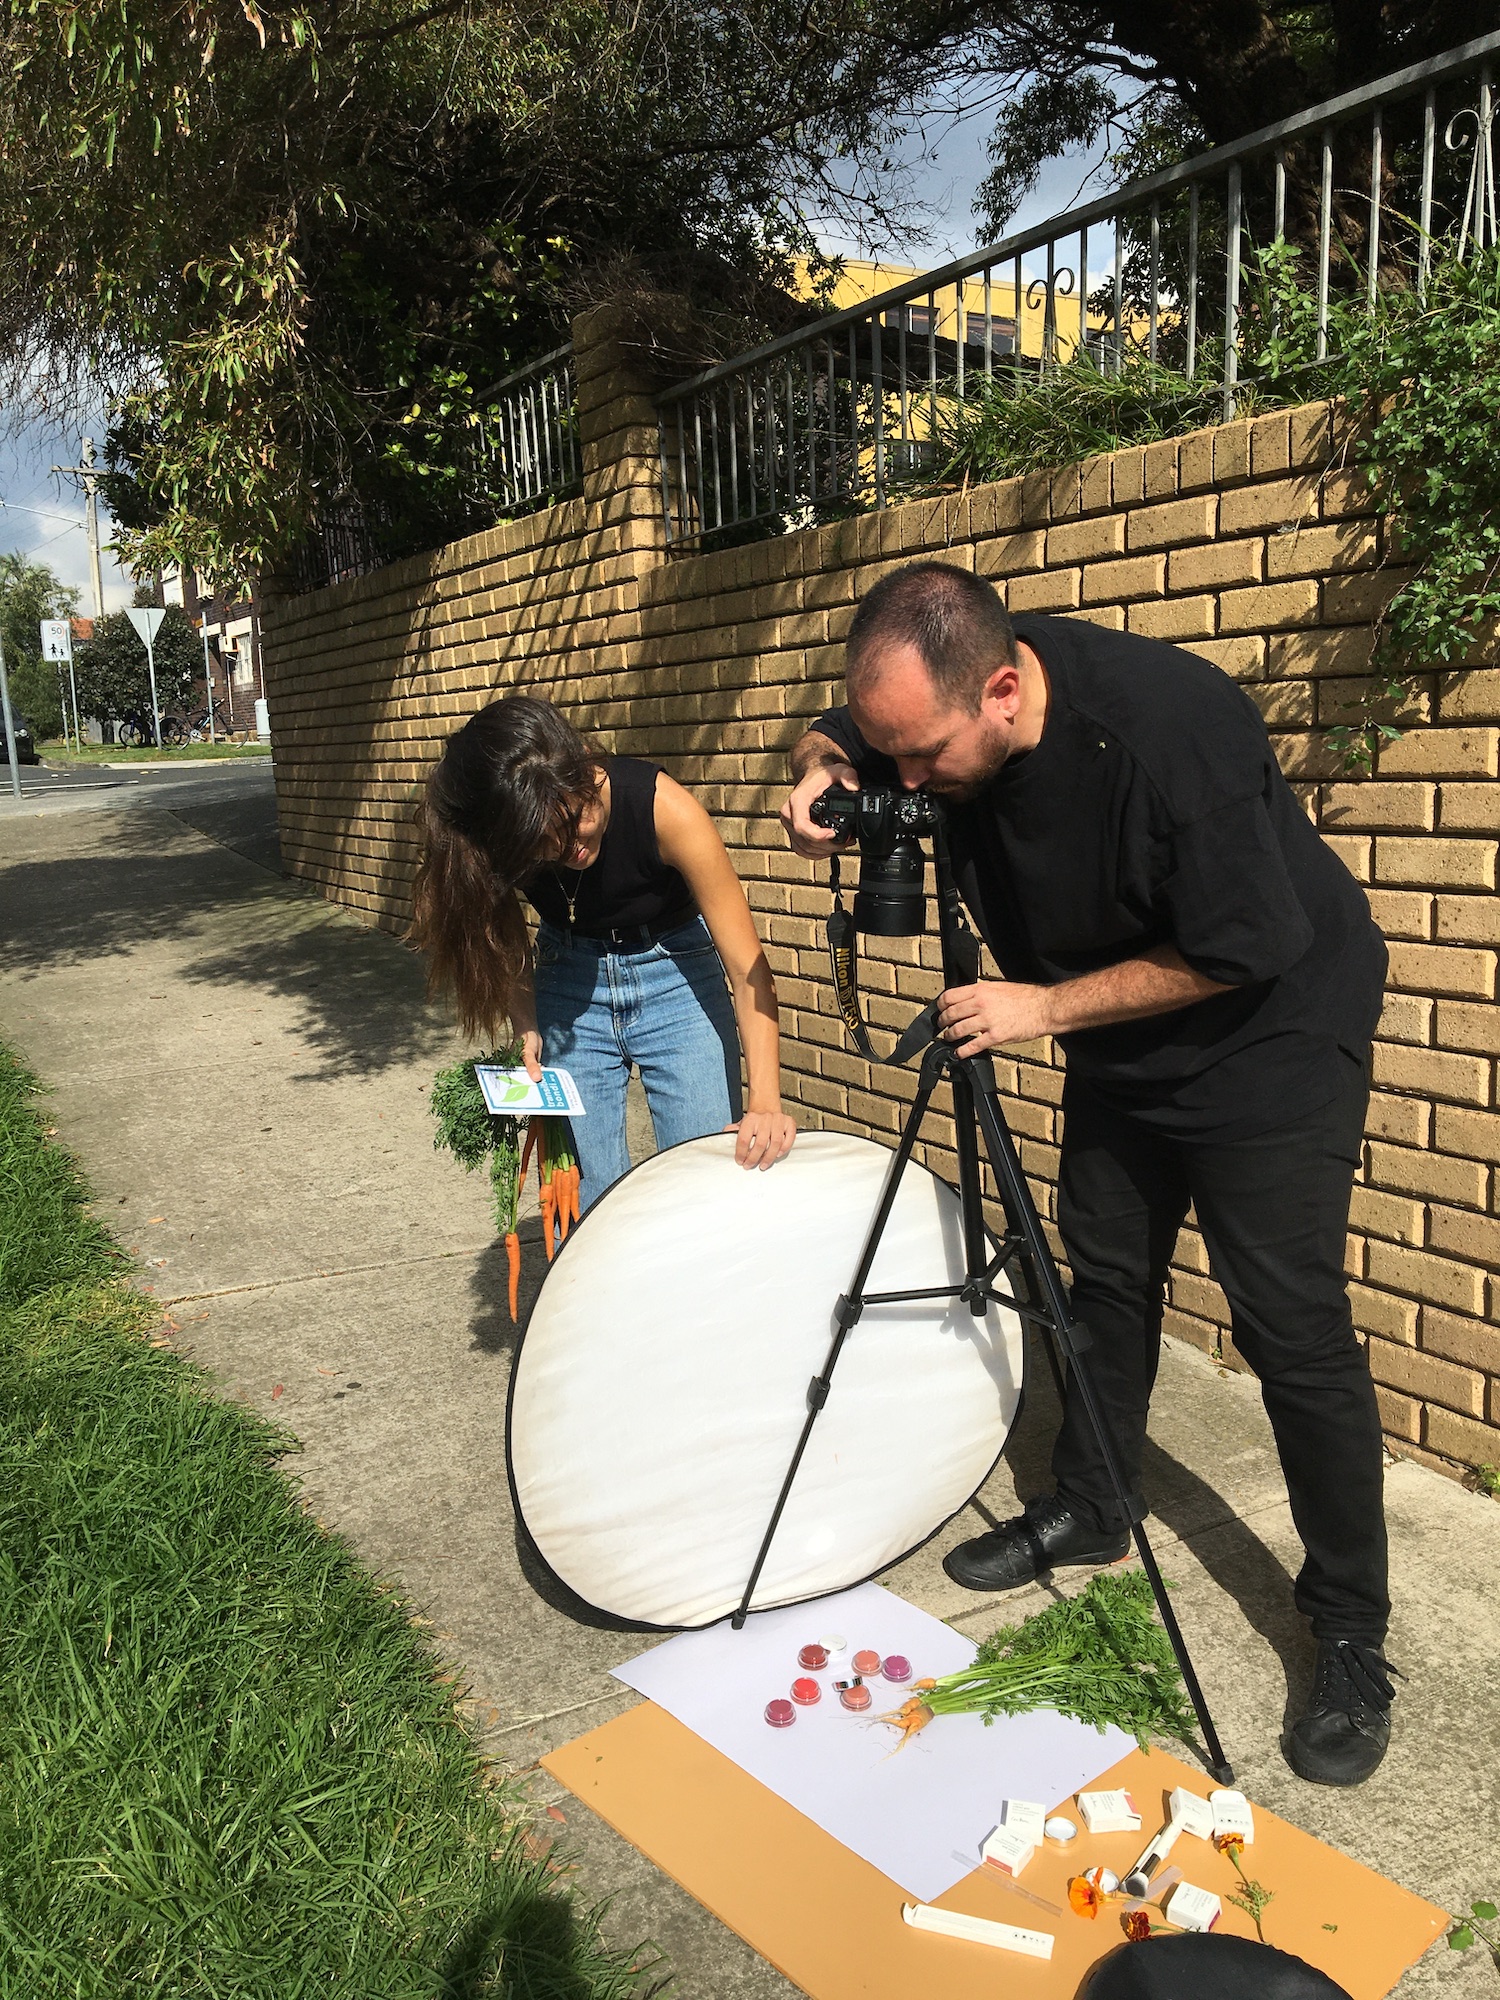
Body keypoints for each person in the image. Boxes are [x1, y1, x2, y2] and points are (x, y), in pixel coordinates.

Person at [781, 561, 1396, 1788]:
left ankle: (1349, 1629)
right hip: (1112, 1035)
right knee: (1105, 1280)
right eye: (887, 754)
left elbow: (1246, 942)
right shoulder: (942, 671)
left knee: (1293, 1330)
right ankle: (1094, 1503)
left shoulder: (1177, 730)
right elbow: (849, 726)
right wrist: (822, 769)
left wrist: (1045, 1007)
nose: (906, 783)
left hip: (1269, 1036)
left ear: (1002, 690)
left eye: (922, 757)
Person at [412, 695, 795, 1207]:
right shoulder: (511, 828)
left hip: (677, 980)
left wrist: (765, 1099)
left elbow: (748, 968)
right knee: (589, 1193)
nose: (567, 846)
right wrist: (525, 1021)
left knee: (703, 1182)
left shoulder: (664, 808)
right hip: (568, 983)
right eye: (541, 842)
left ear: (580, 773)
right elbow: (500, 932)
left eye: (572, 820)